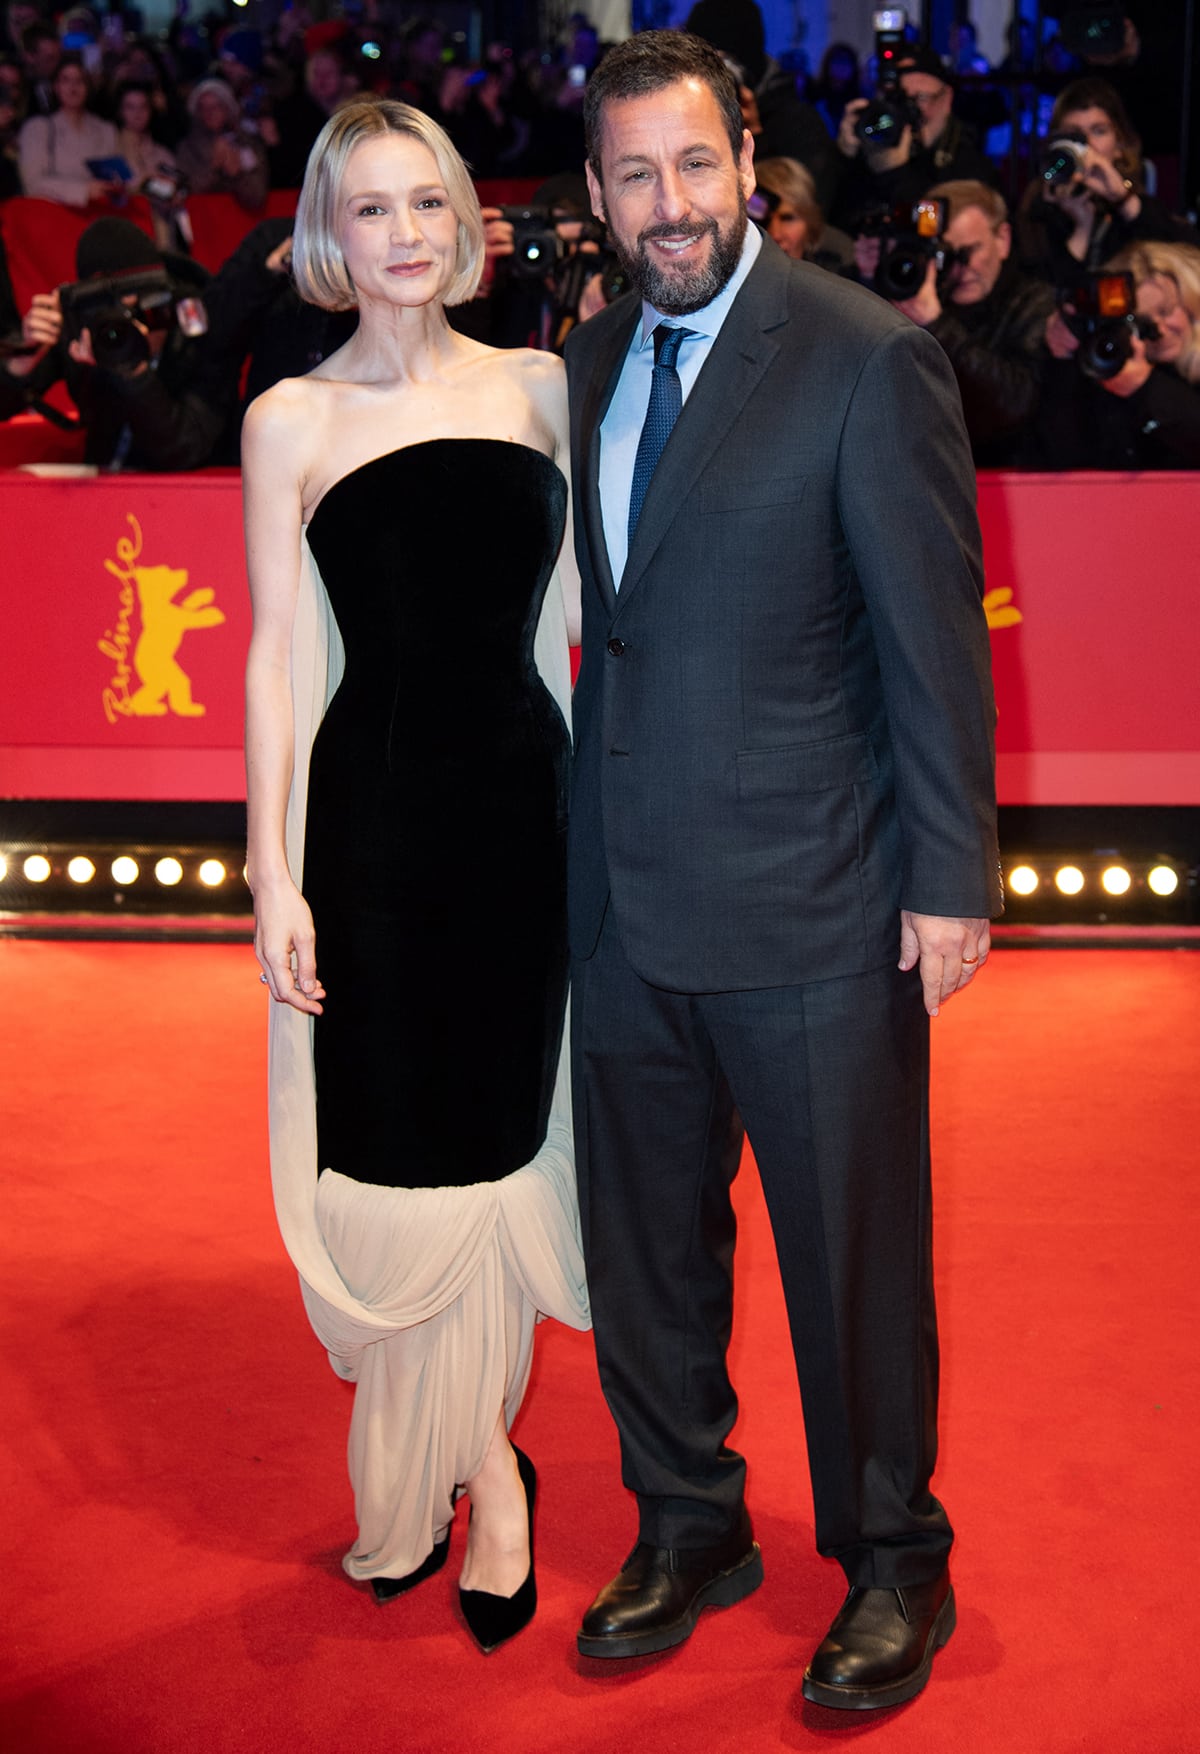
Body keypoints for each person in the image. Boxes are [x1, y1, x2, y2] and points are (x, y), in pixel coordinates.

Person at [563, 31, 1000, 1709]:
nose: (668, 204)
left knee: (851, 1254)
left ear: (745, 156)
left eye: (692, 164)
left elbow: (931, 640)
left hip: (819, 897)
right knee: (647, 1253)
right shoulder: (590, 360)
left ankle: (895, 1554)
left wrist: (948, 874)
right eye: (632, 174)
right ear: (596, 192)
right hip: (622, 898)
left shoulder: (861, 356)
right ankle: (691, 1519)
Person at [241, 96, 589, 1651]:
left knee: (502, 1145)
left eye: (426, 204)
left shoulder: (538, 387)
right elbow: (268, 658)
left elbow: (577, 619)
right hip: (368, 834)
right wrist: (270, 870)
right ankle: (432, 1462)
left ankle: (492, 1481)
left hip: (521, 813)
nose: (403, 235)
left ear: (465, 223)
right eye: (370, 208)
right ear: (331, 232)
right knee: (393, 1157)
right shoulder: (290, 420)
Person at [0, 215, 236, 470]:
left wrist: (135, 374)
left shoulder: (203, 330)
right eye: (115, 317)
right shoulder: (86, 329)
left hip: (190, 491)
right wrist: (20, 364)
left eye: (142, 311)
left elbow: (185, 450)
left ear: (165, 303)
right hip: (104, 482)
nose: (132, 330)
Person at [865, 179, 1055, 466]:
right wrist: (869, 282)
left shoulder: (1035, 302)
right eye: (945, 256)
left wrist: (936, 325)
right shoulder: (914, 297)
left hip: (1010, 476)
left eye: (970, 251)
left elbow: (1014, 404)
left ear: (1002, 240)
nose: (959, 269)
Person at [1015, 77, 1193, 285]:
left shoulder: (1139, 209)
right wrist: (1082, 230)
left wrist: (1123, 200)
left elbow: (1184, 263)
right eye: (1075, 135)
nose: (1088, 145)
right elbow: (1041, 295)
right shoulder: (1040, 203)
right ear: (1056, 143)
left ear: (1120, 145)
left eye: (1099, 131)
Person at [832, 43, 996, 233]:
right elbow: (833, 227)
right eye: (899, 99)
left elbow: (937, 230)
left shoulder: (967, 165)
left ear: (947, 98)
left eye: (921, 98)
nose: (911, 111)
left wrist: (895, 174)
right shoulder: (872, 152)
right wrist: (844, 159)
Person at [17, 51, 119, 205]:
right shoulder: (37, 128)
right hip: (54, 213)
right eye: (65, 80)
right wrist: (83, 190)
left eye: (80, 81)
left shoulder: (106, 130)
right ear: (56, 87)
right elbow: (32, 182)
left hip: (99, 211)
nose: (73, 87)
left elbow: (115, 176)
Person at [175, 76, 268, 210]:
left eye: (216, 106)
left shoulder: (247, 144)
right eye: (203, 108)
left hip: (244, 219)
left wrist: (237, 175)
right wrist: (214, 167)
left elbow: (257, 197)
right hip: (205, 220)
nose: (210, 113)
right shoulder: (187, 148)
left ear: (228, 108)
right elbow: (185, 193)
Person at [753, 154, 854, 275]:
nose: (775, 234)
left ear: (810, 221)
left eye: (787, 218)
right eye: (763, 219)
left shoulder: (836, 275)